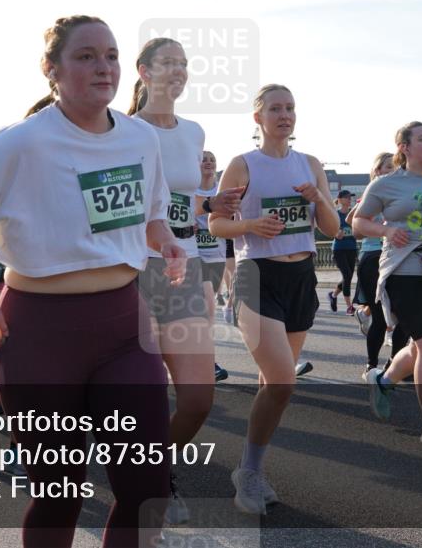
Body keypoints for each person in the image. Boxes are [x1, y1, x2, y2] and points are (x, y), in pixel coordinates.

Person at [0, 15, 177, 547]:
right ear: (52, 70)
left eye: (111, 56)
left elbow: (150, 218)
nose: (103, 67)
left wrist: (169, 242)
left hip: (123, 327)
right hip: (38, 333)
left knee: (146, 485)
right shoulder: (21, 141)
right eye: (86, 56)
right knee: (60, 491)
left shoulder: (141, 138)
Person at [210, 83, 339, 514]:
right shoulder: (242, 165)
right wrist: (250, 226)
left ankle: (253, 467)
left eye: (290, 108)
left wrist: (318, 197)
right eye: (275, 108)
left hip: (301, 276)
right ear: (258, 118)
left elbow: (333, 229)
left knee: (274, 384)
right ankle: (247, 472)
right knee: (283, 379)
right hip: (256, 275)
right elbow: (215, 225)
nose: (285, 115)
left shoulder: (311, 164)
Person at [129, 38, 242, 524]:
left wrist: (210, 206)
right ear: (144, 71)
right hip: (134, 269)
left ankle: (150, 464)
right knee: (147, 393)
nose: (177, 71)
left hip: (187, 265)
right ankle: (149, 483)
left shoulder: (194, 131)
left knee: (197, 399)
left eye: (183, 64)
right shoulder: (121, 131)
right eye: (166, 62)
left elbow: (182, 202)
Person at [354, 122, 422, 449]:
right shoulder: (386, 184)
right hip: (404, 271)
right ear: (403, 147)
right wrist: (387, 232)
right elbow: (359, 222)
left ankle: (384, 381)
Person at [350, 152, 409, 376]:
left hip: (398, 257)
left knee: (404, 315)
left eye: (394, 168)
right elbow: (353, 225)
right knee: (379, 316)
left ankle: (394, 364)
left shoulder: (401, 192)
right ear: (376, 171)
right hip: (373, 257)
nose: (392, 172)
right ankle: (371, 365)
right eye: (387, 168)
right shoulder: (373, 192)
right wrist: (378, 225)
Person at [195, 150, 231, 384]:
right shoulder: (189, 189)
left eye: (212, 160)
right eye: (204, 159)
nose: (208, 163)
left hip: (215, 253)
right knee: (204, 308)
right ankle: (208, 363)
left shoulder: (222, 189)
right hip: (192, 252)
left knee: (207, 311)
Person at [329, 190, 358, 316]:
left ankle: (333, 295)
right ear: (339, 200)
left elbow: (358, 229)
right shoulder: (335, 215)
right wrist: (336, 234)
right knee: (347, 275)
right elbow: (331, 230)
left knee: (349, 276)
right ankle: (349, 306)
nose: (349, 199)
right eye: (346, 197)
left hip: (352, 248)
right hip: (339, 249)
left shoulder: (354, 213)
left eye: (350, 197)